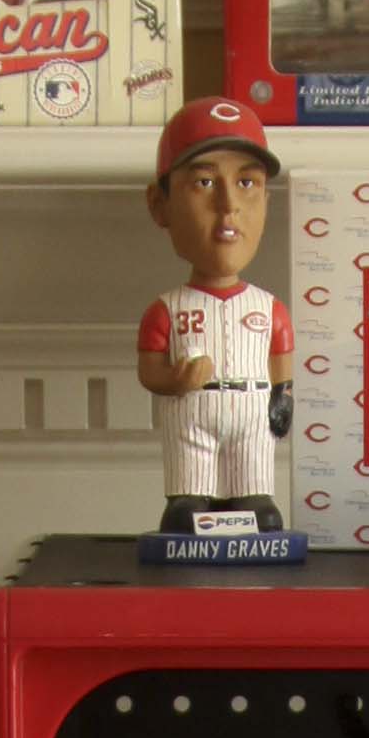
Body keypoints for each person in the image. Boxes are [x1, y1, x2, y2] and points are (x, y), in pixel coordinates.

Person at [136, 96, 291, 527]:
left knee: (257, 505)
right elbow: (149, 370)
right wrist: (173, 379)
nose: (228, 206)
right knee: (188, 506)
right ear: (159, 205)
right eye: (204, 182)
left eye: (247, 183)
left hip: (251, 411)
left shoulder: (267, 306)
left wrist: (284, 395)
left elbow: (280, 358)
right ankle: (190, 500)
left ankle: (252, 498)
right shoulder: (168, 309)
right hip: (193, 414)